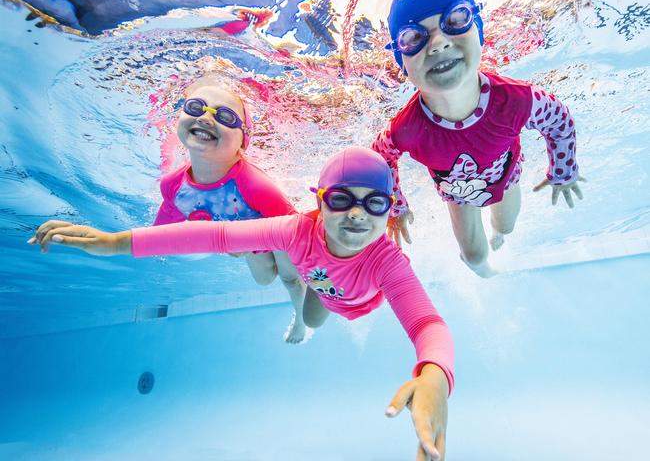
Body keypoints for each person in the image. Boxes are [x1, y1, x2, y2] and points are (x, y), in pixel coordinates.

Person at [30, 147, 454, 461]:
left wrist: (435, 375)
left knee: (317, 305)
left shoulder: (387, 262)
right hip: (323, 293)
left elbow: (427, 325)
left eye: (374, 203)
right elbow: (216, 236)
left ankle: (308, 313)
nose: (357, 215)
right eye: (341, 199)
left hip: (361, 300)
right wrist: (117, 242)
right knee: (310, 314)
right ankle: (303, 321)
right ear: (320, 199)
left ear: (388, 210)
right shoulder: (295, 231)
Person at [373, 0, 586, 277]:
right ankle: (489, 276)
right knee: (473, 256)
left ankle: (499, 237)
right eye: (412, 38)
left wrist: (563, 171)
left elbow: (559, 119)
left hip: (507, 178)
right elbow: (380, 157)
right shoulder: (406, 128)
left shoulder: (516, 99)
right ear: (401, 60)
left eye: (455, 19)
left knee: (505, 226)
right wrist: (396, 206)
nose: (438, 43)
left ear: (479, 29)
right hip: (457, 194)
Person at [155, 76, 308, 343]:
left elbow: (295, 229)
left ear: (243, 141)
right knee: (263, 280)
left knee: (289, 278)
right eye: (195, 107)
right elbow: (161, 234)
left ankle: (301, 320)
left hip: (279, 233)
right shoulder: (173, 185)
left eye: (225, 117)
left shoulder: (257, 186)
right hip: (249, 240)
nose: (205, 118)